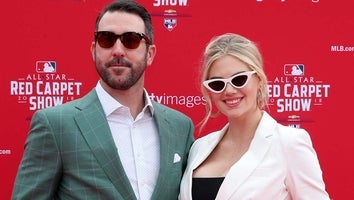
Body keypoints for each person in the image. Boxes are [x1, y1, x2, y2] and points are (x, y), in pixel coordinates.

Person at [12, 0, 194, 199]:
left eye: (131, 39)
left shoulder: (179, 127)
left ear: (149, 54)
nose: (117, 50)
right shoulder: (56, 126)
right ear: (94, 50)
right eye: (106, 39)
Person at [179, 33, 330, 200]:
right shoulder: (199, 148)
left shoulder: (289, 143)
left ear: (259, 79)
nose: (229, 90)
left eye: (239, 79)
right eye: (217, 84)